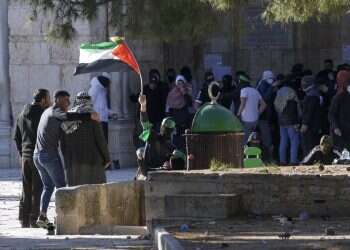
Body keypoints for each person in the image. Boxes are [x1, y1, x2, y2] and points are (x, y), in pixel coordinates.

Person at [34, 90, 99, 228]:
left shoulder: (47, 112)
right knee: (62, 187)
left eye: (69, 101)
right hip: (48, 155)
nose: (68, 103)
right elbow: (69, 116)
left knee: (48, 186)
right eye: (66, 100)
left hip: (37, 155)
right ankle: (62, 218)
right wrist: (90, 116)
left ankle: (43, 215)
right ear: (58, 99)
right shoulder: (55, 111)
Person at [14, 89, 51, 228]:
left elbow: (16, 137)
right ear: (42, 100)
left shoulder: (22, 114)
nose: (50, 102)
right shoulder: (43, 114)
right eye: (48, 99)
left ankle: (24, 219)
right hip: (38, 155)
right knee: (38, 188)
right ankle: (34, 220)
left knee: (26, 188)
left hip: (25, 156)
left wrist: (22, 153)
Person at [61, 92, 110, 186]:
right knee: (95, 193)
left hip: (74, 162)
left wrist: (67, 159)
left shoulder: (68, 117)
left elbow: (63, 142)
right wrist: (107, 158)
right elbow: (101, 141)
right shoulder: (93, 116)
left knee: (76, 193)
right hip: (93, 162)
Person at [136, 94, 185, 180]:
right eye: (166, 128)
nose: (167, 131)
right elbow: (145, 122)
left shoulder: (171, 148)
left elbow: (180, 161)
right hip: (147, 174)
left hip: (163, 176)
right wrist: (143, 105)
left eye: (169, 129)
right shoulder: (152, 137)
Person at [274, 76, 301, 165]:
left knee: (283, 141)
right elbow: (296, 107)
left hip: (281, 120)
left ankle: (282, 160)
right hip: (292, 121)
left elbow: (277, 106)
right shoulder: (291, 91)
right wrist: (298, 120)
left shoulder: (279, 91)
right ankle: (293, 160)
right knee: (294, 141)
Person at [237, 74, 266, 144]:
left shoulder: (243, 90)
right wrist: (257, 113)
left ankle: (242, 154)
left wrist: (238, 114)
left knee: (243, 140)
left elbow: (242, 104)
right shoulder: (255, 91)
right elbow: (264, 105)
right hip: (255, 120)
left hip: (246, 120)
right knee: (252, 139)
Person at [166, 75, 193, 151]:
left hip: (185, 123)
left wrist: (184, 93)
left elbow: (190, 104)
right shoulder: (172, 94)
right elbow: (168, 109)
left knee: (186, 145)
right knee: (176, 146)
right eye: (178, 83)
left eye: (181, 83)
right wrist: (171, 124)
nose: (180, 85)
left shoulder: (187, 91)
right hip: (176, 125)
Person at [300, 75, 322, 157]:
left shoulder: (312, 96)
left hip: (310, 126)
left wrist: (305, 123)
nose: (303, 85)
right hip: (312, 125)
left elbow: (309, 111)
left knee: (308, 146)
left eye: (305, 83)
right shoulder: (313, 94)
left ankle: (309, 161)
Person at [329, 70, 350, 150]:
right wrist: (336, 127)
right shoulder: (339, 96)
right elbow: (331, 114)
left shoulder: (340, 95)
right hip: (341, 131)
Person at [256, 70, 275, 162]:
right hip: (263, 117)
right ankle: (268, 159)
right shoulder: (263, 85)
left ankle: (265, 158)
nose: (271, 80)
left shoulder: (261, 84)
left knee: (265, 138)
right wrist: (272, 87)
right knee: (267, 139)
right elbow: (265, 98)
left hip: (263, 116)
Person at [88, 75, 111, 143]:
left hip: (103, 120)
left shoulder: (102, 90)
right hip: (98, 122)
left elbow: (102, 107)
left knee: (104, 142)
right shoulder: (94, 89)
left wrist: (111, 113)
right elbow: (89, 105)